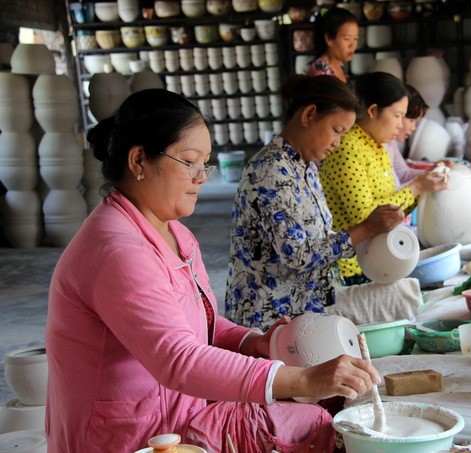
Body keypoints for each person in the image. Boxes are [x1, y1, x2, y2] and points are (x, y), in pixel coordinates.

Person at [45, 89, 382, 453]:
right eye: (190, 162)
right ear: (139, 160)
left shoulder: (175, 233)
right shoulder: (118, 252)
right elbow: (178, 358)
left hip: (172, 414)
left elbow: (194, 323)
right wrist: (301, 380)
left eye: (205, 164)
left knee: (318, 417)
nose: (201, 177)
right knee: (307, 420)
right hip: (120, 436)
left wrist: (252, 341)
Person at [224, 75, 404, 330]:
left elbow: (317, 235)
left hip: (302, 310)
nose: (337, 143)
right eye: (336, 130)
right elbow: (298, 255)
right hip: (268, 318)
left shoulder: (304, 166)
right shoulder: (270, 171)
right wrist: (367, 229)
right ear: (308, 115)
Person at [320, 72, 449, 284]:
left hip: (377, 261)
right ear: (373, 111)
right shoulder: (348, 149)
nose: (401, 124)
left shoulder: (378, 146)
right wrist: (416, 188)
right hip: (351, 268)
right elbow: (367, 218)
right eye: (398, 115)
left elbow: (392, 210)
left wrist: (426, 186)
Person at [386, 84, 429, 190]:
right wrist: (421, 185)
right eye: (411, 120)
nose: (413, 128)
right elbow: (392, 193)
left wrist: (433, 171)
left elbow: (403, 173)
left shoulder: (390, 142)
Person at [306, 7, 359, 83]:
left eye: (355, 39)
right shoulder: (319, 73)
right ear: (329, 39)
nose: (353, 45)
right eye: (347, 39)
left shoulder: (339, 65)